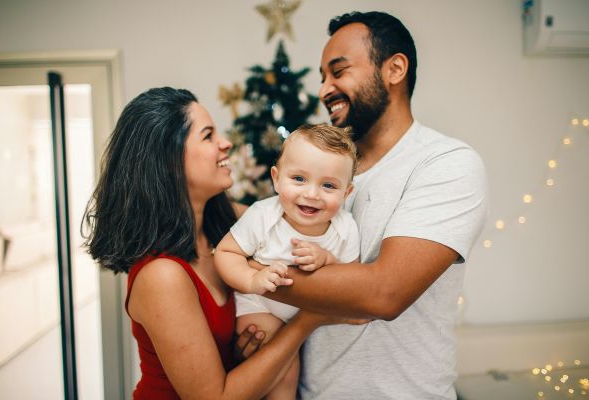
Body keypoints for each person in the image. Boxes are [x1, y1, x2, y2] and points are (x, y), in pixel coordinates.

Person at [260, 11, 489, 399]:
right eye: (322, 77)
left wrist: (247, 271)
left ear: (395, 69)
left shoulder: (446, 163)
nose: (323, 90)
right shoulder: (324, 175)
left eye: (339, 71)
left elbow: (384, 294)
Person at [82, 87, 353, 400]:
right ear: (170, 160)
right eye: (208, 135)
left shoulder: (233, 223)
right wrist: (308, 321)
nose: (226, 143)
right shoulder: (162, 276)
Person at [214, 124, 360, 399]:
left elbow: (352, 278)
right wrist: (252, 279)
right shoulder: (263, 216)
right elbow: (226, 253)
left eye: (328, 185)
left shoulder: (345, 228)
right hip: (260, 308)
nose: (312, 194)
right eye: (299, 179)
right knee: (285, 368)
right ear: (276, 178)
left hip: (305, 317)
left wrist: (327, 259)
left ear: (347, 192)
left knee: (296, 368)